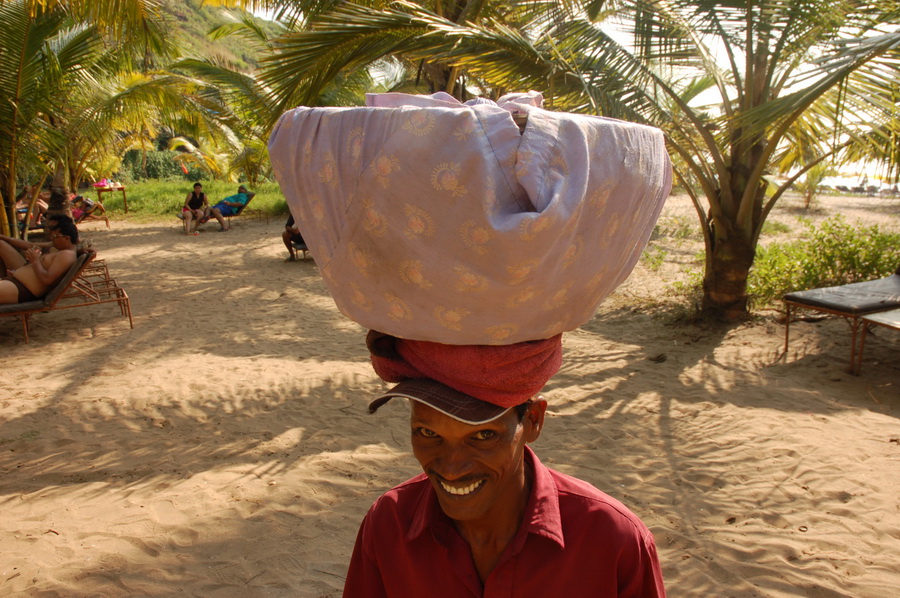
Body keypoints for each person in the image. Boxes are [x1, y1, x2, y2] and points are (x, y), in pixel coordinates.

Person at [343, 332, 666, 597]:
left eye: (483, 435)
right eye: (428, 433)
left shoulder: (613, 540)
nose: (452, 468)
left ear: (534, 421)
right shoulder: (388, 525)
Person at [0, 215, 78, 304]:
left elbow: (47, 280)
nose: (52, 238)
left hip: (22, 289)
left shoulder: (66, 255)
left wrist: (35, 261)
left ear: (66, 238)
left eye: (55, 236)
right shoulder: (60, 249)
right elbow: (28, 245)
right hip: (16, 283)